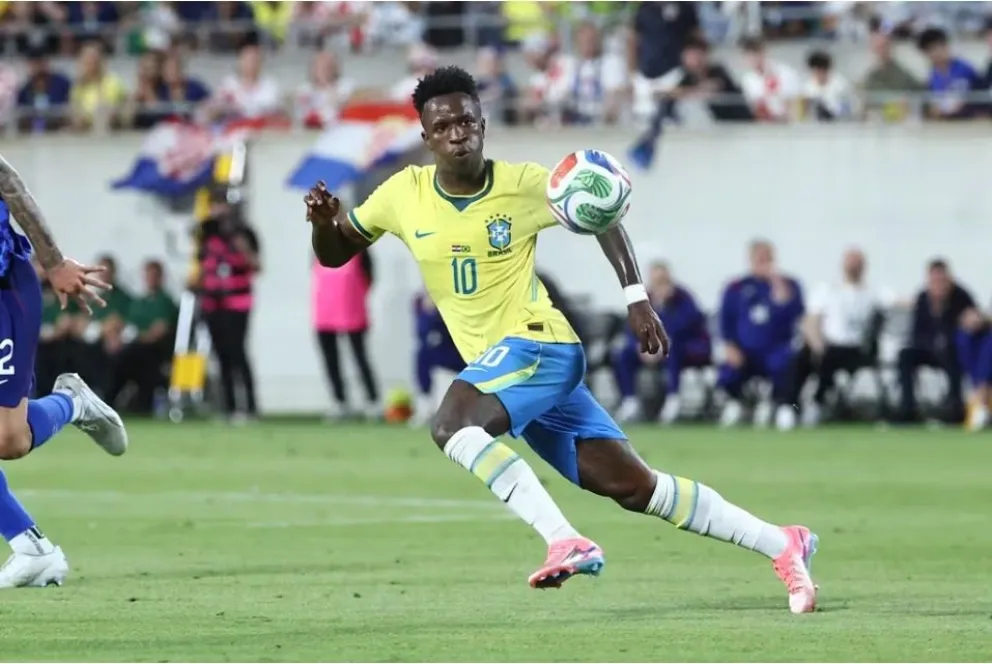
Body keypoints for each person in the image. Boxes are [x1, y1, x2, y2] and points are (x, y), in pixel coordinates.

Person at [304, 66, 819, 614]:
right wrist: (321, 222)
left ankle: (564, 539)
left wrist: (636, 298)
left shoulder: (525, 183)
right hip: (507, 375)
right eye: (444, 125)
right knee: (634, 486)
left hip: (540, 345)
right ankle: (782, 543)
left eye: (467, 121)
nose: (458, 133)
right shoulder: (400, 194)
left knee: (451, 424)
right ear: (427, 137)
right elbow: (336, 253)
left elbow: (601, 215)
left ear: (483, 125)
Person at [0, 154, 128, 589]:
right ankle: (31, 548)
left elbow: (8, 180)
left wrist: (52, 262)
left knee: (8, 440)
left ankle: (72, 402)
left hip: (4, 292)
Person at [789, 248, 885, 427]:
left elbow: (899, 301)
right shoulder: (828, 289)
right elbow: (811, 320)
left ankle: (817, 404)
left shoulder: (872, 293)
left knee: (829, 358)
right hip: (827, 345)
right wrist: (816, 344)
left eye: (858, 264)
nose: (854, 268)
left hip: (856, 349)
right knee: (802, 357)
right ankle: (791, 406)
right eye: (851, 263)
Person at [717, 240, 804, 430]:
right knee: (728, 371)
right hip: (745, 351)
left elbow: (797, 315)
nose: (765, 263)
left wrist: (780, 292)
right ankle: (738, 403)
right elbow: (725, 322)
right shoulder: (736, 287)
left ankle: (783, 406)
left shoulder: (789, 286)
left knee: (787, 363)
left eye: (768, 258)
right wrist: (730, 346)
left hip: (776, 349)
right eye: (760, 258)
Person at [613, 261, 711, 424]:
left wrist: (665, 307)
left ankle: (673, 399)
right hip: (649, 348)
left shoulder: (683, 298)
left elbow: (688, 326)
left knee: (672, 349)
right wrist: (639, 346)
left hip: (681, 348)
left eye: (663, 281)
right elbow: (630, 329)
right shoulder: (642, 301)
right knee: (622, 354)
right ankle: (630, 401)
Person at [198, 192, 261, 422]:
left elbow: (257, 265)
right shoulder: (207, 235)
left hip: (237, 303)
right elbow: (202, 265)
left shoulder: (245, 234)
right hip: (213, 303)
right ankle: (229, 407)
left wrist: (243, 249)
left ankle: (250, 407)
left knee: (238, 354)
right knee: (221, 356)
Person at [896, 259, 975, 424]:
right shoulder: (923, 298)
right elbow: (916, 332)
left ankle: (955, 410)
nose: (938, 284)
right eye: (935, 280)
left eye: (942, 280)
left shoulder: (961, 297)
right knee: (905, 356)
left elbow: (970, 325)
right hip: (928, 348)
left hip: (952, 350)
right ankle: (907, 409)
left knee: (955, 361)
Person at [311, 249, 380, 420]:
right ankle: (339, 401)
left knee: (360, 358)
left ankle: (372, 401)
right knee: (331, 361)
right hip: (324, 313)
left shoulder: (360, 250)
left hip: (352, 312)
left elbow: (369, 278)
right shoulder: (318, 248)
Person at [411, 291, 465, 427]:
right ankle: (425, 404)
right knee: (422, 357)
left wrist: (435, 311)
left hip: (452, 356)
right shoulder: (419, 300)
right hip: (433, 358)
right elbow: (421, 333)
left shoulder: (450, 299)